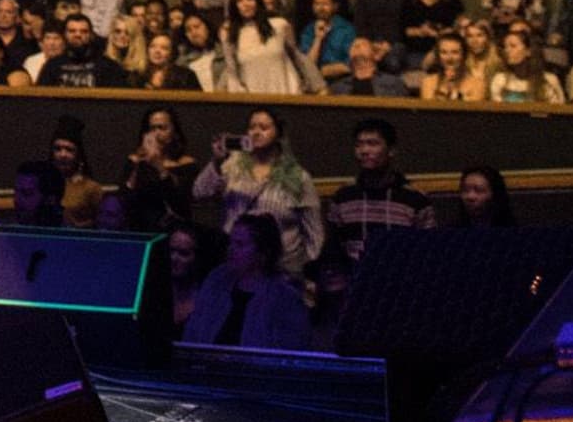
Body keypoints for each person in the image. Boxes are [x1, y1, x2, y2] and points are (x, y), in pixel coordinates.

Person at [192, 108, 325, 271]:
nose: (256, 132)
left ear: (279, 134)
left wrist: (308, 270)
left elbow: (314, 233)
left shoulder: (297, 177)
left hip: (281, 266)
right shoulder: (232, 165)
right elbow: (200, 192)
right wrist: (217, 160)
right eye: (252, 127)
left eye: (264, 128)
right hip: (236, 260)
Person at [179, 216, 315, 348]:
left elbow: (290, 349)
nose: (231, 249)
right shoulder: (217, 280)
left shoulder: (284, 297)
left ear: (263, 253)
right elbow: (194, 332)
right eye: (231, 242)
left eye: (240, 244)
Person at [320, 119, 435, 273]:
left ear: (391, 150)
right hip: (356, 282)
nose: (364, 150)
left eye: (373, 144)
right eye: (359, 145)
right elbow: (333, 249)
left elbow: (429, 251)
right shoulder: (343, 198)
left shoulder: (414, 200)